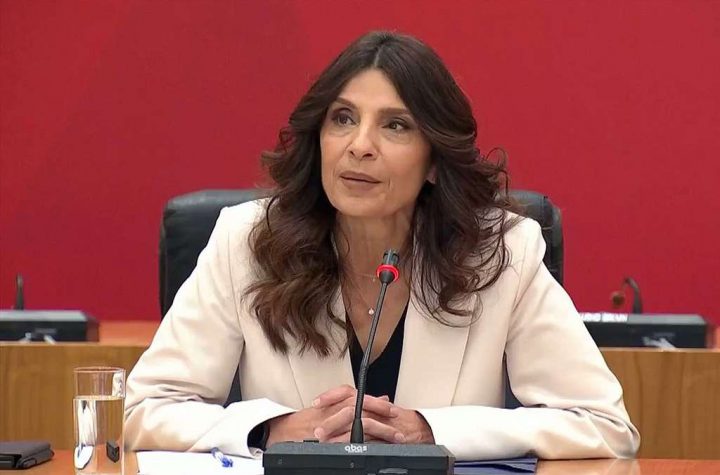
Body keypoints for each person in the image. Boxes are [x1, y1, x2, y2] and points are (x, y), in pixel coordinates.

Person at [124, 30, 640, 461]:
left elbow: (603, 425)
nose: (360, 145)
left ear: (434, 160)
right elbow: (143, 411)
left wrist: (433, 432)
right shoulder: (247, 241)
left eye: (395, 125)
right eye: (343, 119)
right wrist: (269, 430)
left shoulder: (500, 252)